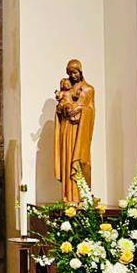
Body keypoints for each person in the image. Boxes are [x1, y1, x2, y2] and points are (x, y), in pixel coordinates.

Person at [53, 59, 95, 203]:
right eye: (70, 73)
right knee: (67, 161)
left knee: (78, 162)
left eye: (75, 72)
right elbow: (60, 108)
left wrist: (79, 109)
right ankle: (68, 196)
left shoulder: (88, 89)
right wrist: (61, 109)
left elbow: (91, 110)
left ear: (80, 72)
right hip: (67, 129)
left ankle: (80, 197)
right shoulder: (67, 90)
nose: (73, 75)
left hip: (79, 131)